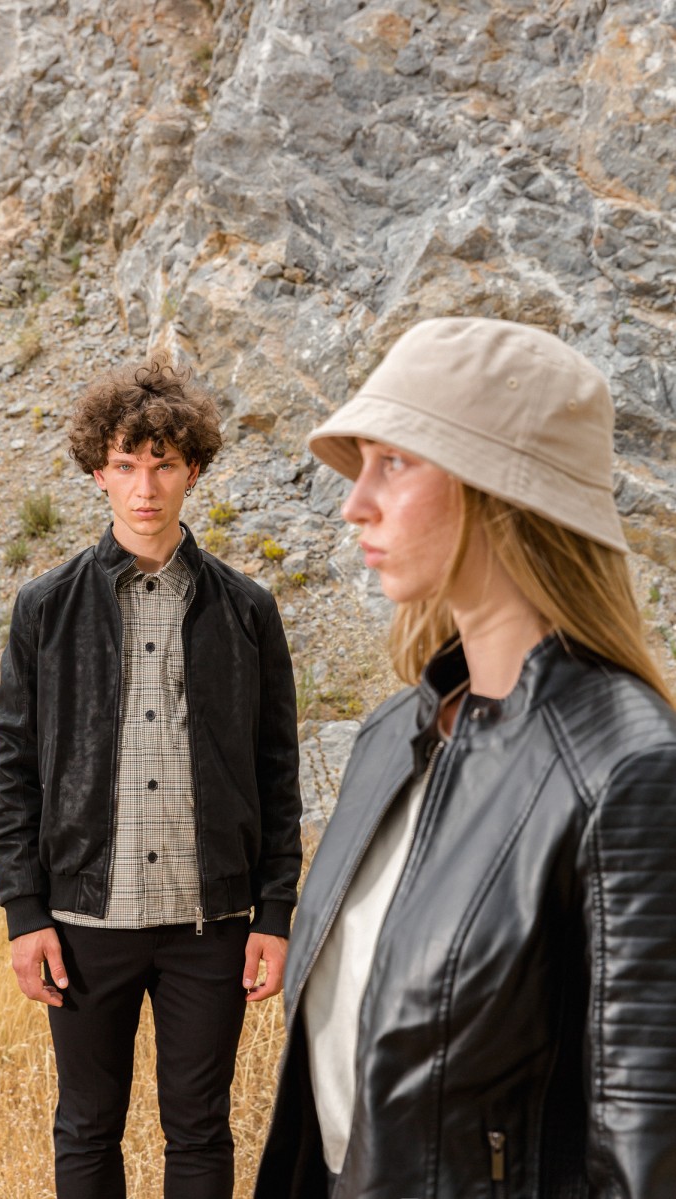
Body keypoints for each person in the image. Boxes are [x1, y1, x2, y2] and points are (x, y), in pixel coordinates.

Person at [255, 317, 676, 1198]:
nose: (353, 502)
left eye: (394, 462)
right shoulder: (391, 737)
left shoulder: (626, 769)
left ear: (498, 488)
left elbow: (646, 1151)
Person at [0, 356, 302, 1199]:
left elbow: (277, 771)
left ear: (193, 468)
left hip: (212, 922)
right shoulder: (45, 608)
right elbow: (12, 770)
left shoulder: (247, 610)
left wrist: (274, 913)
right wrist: (24, 911)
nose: (145, 487)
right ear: (98, 472)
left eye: (163, 464)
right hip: (85, 919)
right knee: (87, 1125)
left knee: (199, 1127)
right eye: (126, 464)